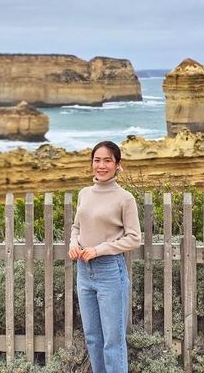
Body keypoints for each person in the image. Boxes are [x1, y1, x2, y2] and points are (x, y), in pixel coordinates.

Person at [69, 140, 141, 373]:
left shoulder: (125, 198)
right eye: (97, 160)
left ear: (118, 165)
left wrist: (99, 249)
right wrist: (73, 244)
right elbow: (76, 227)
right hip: (83, 272)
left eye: (107, 160)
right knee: (93, 338)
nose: (101, 165)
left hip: (110, 271)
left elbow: (133, 238)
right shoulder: (84, 193)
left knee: (113, 341)